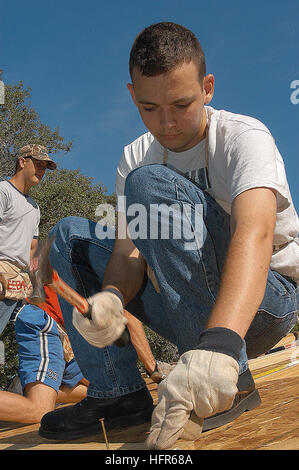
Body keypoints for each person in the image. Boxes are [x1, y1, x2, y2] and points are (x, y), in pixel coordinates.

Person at [39, 23, 299, 449]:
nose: (167, 124)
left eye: (181, 105)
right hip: (186, 312)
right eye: (149, 107)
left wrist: (219, 344)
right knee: (70, 237)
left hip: (264, 304)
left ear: (208, 87)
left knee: (151, 185)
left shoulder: (242, 136)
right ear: (131, 95)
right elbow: (127, 255)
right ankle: (118, 394)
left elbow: (255, 233)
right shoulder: (134, 155)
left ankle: (228, 375)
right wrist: (110, 298)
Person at [0, 286, 89, 424]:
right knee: (39, 410)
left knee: (107, 389)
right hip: (45, 318)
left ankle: (35, 391)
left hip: (70, 335)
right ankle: (35, 392)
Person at [0, 144, 56, 335]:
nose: (42, 171)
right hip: (2, 271)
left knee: (43, 332)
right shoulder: (3, 191)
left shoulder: (34, 208)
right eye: (39, 164)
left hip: (19, 283)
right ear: (22, 162)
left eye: (45, 168)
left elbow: (33, 249)